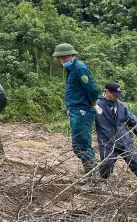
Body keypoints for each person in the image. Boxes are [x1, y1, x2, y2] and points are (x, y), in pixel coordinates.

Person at [53, 43, 101, 177]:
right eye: (60, 58)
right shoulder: (72, 69)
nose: (62, 61)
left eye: (64, 58)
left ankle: (95, 178)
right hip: (76, 110)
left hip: (82, 111)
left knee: (81, 144)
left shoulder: (80, 68)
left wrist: (94, 104)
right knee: (79, 144)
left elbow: (92, 89)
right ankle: (91, 174)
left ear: (72, 55)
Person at [95, 81, 137, 179]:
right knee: (106, 164)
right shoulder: (96, 104)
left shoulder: (121, 106)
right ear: (107, 91)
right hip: (106, 140)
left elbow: (133, 121)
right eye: (114, 94)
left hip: (124, 139)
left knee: (135, 161)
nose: (117, 97)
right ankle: (103, 182)